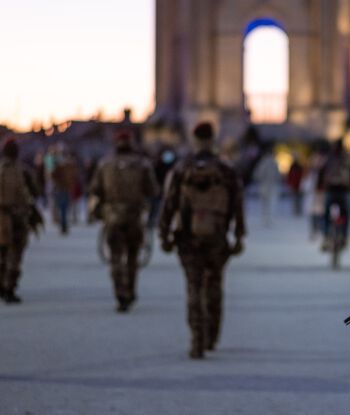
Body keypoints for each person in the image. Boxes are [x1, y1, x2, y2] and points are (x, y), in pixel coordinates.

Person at [158, 122, 246, 359]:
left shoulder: (182, 168)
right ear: (213, 139)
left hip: (188, 238)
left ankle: (196, 340)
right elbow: (237, 205)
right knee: (214, 287)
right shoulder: (225, 170)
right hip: (217, 238)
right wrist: (239, 235)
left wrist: (163, 233)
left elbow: (168, 204)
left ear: (194, 139)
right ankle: (211, 336)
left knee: (193, 289)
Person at [89, 131, 159, 312]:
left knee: (115, 257)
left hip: (112, 217)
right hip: (135, 217)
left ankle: (120, 292)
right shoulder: (142, 164)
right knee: (132, 257)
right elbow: (153, 190)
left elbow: (95, 189)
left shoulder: (105, 164)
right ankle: (130, 290)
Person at [0, 138, 42, 304]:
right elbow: (36, 191)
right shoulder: (23, 171)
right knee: (15, 254)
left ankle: (2, 284)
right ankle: (10, 287)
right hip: (18, 217)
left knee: (2, 253)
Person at [317, 140, 350, 250]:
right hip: (344, 190)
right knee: (345, 214)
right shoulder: (348, 159)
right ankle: (344, 237)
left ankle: (326, 236)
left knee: (326, 214)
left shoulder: (328, 159)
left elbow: (321, 172)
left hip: (330, 189)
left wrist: (319, 187)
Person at [253, 143, 281, 226]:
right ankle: (269, 219)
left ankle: (265, 218)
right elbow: (278, 175)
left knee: (264, 203)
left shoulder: (263, 162)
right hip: (272, 186)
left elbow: (257, 174)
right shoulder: (274, 163)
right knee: (271, 203)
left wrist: (261, 179)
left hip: (264, 186)